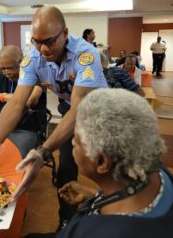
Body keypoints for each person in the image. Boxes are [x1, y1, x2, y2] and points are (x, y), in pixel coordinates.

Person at [0, 6, 107, 229]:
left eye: (49, 41)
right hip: (71, 107)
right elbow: (18, 102)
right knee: (67, 168)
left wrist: (43, 151)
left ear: (65, 33)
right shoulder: (33, 58)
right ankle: (65, 224)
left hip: (103, 111)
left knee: (107, 167)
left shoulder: (86, 55)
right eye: (37, 41)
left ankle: (115, 218)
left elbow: (82, 109)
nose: (43, 49)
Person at [55, 89, 173, 238]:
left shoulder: (102, 232)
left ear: (102, 162)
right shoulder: (157, 171)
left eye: (76, 141)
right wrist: (94, 196)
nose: (71, 142)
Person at [0, 45, 47, 158]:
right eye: (4, 68)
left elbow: (29, 100)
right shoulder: (2, 75)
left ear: (22, 62)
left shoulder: (36, 75)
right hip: (4, 127)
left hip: (28, 130)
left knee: (14, 157)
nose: (7, 72)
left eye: (11, 68)